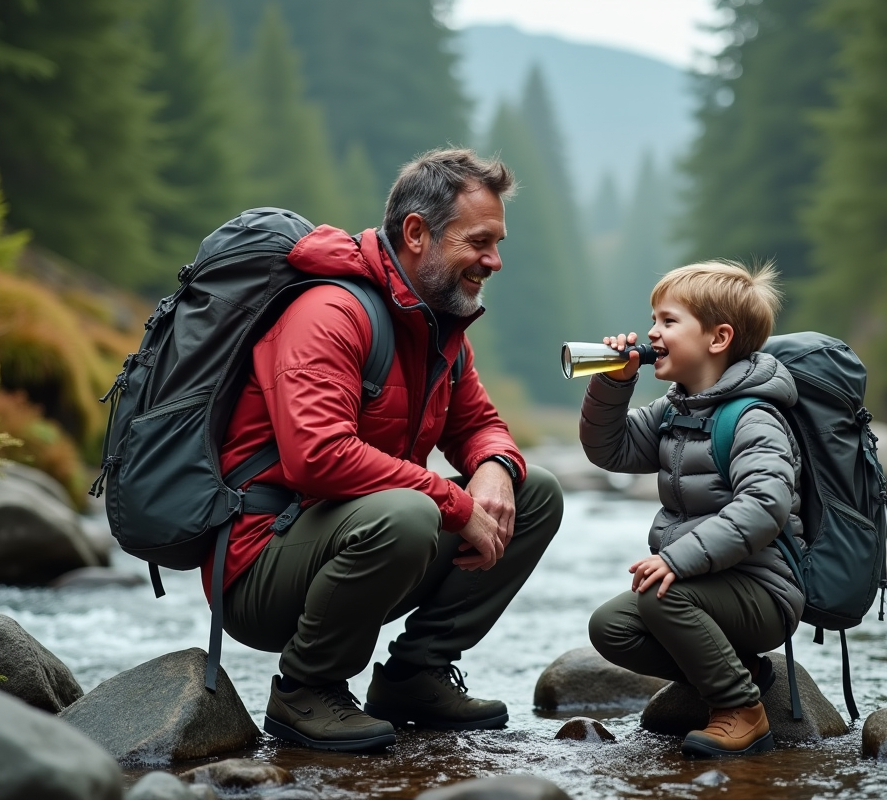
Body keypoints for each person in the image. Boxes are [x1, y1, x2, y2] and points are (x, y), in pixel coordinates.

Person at [204, 149, 564, 752]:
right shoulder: (331, 311)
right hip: (260, 564)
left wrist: (498, 468)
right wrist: (454, 501)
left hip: (359, 540)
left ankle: (413, 677)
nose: (494, 261)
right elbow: (316, 455)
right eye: (479, 241)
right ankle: (305, 690)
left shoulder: (438, 325)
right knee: (412, 510)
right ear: (417, 234)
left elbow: (480, 424)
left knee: (535, 493)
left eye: (498, 243)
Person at [578, 260, 804, 758]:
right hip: (708, 585)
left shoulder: (754, 416)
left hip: (765, 589)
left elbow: (766, 505)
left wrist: (677, 560)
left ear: (718, 338)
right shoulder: (677, 408)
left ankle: (741, 709)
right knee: (611, 625)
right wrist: (613, 384)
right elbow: (609, 451)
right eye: (653, 320)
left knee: (662, 595)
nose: (652, 334)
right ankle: (742, 670)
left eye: (668, 321)